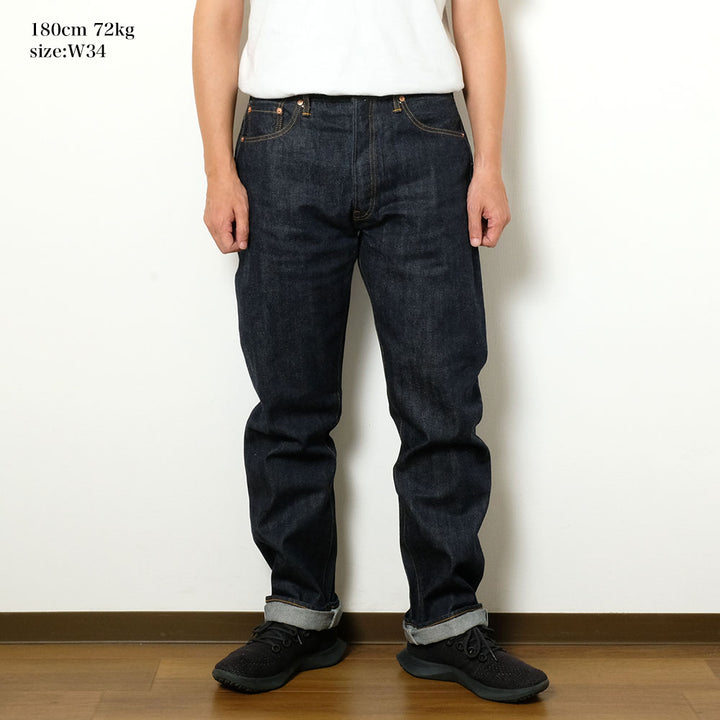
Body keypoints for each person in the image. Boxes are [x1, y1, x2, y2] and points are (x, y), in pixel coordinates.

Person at [192, 0, 549, 704]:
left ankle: (447, 621)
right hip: (281, 138)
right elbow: (219, 18)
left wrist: (489, 163)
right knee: (289, 406)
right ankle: (298, 613)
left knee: (442, 404)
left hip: (425, 137)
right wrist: (217, 171)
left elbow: (477, 15)